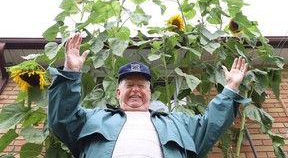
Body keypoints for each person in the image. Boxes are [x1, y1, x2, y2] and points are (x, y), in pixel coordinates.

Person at [48, 33, 250, 158]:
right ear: (118, 92)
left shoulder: (178, 123)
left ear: (150, 93)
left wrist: (230, 88)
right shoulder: (93, 119)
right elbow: (62, 118)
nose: (136, 89)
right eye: (129, 85)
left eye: (141, 85)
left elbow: (210, 126)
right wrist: (70, 73)